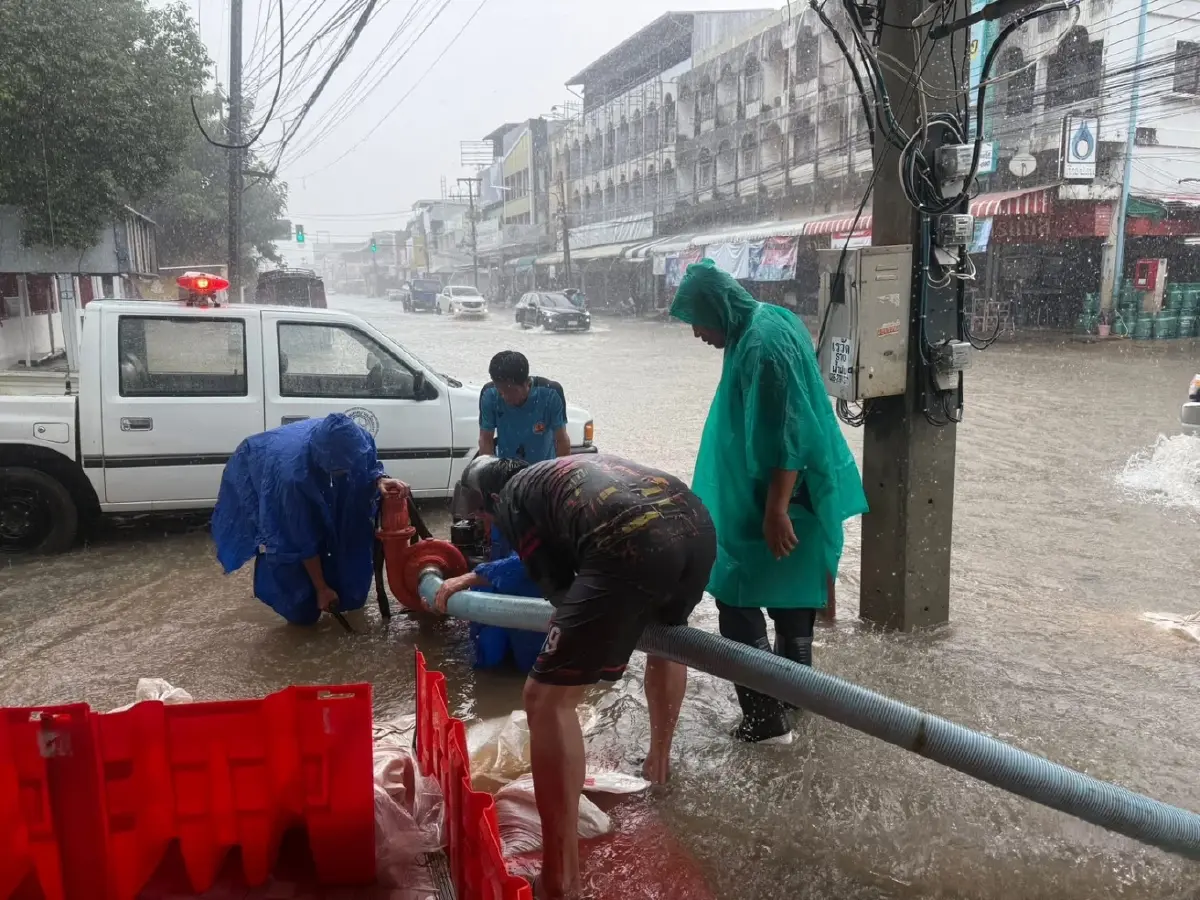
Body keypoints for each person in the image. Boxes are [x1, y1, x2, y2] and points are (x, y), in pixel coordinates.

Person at [435, 454, 716, 900]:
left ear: (490, 499)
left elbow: (557, 587)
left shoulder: (512, 500)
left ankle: (559, 880)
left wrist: (583, 643)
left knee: (545, 699)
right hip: (696, 526)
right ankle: (657, 766)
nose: (487, 522)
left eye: (483, 515)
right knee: (666, 640)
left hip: (632, 539)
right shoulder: (556, 474)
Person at [670, 258, 868, 744]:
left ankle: (765, 721)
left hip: (776, 497)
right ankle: (796, 704)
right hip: (776, 492)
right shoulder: (767, 320)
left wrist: (776, 508)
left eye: (697, 319)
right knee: (792, 596)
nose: (697, 333)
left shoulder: (762, 344)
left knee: (736, 599)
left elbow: (788, 430)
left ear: (717, 308)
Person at [212, 413, 404, 626]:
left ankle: (343, 596)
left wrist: (380, 479)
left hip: (310, 462)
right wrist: (321, 588)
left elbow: (367, 468)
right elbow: (299, 537)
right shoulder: (290, 478)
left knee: (350, 542)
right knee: (297, 589)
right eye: (340, 468)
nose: (346, 471)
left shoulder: (360, 440)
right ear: (324, 461)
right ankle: (305, 608)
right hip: (266, 467)